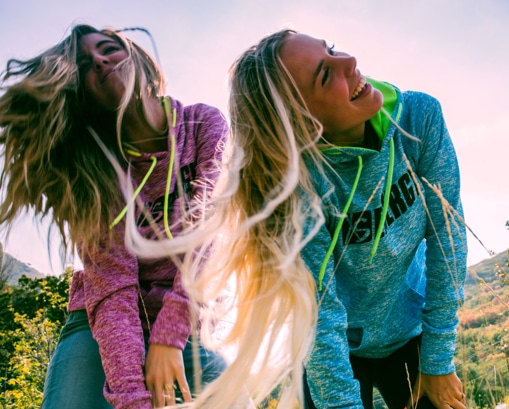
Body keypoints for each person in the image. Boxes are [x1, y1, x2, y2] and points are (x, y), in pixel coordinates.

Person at [128, 28, 468, 408]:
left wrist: (437, 360)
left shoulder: (418, 120)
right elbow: (321, 318)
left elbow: (447, 240)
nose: (350, 63)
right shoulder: (296, 190)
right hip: (332, 351)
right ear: (302, 124)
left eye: (333, 50)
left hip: (413, 334)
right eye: (325, 75)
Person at [0, 24, 228, 408]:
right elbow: (113, 289)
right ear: (83, 92)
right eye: (87, 65)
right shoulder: (94, 170)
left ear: (138, 58)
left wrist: (168, 336)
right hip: (103, 325)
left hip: (184, 317)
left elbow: (208, 237)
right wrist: (133, 399)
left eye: (109, 49)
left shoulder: (203, 125)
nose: (101, 61)